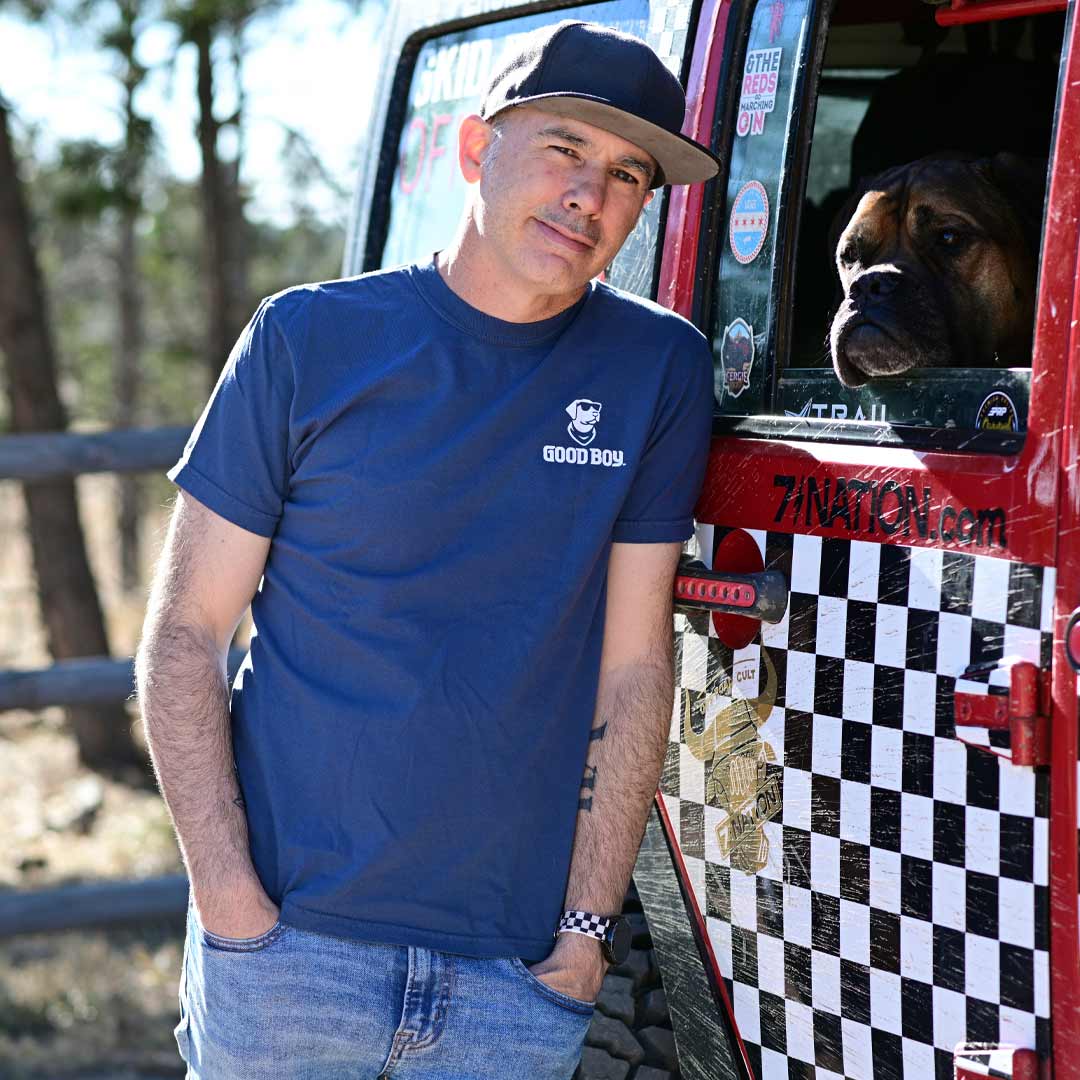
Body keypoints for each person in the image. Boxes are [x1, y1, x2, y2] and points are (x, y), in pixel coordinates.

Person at [136, 18, 719, 1080]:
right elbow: (184, 634)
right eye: (563, 151)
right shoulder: (307, 340)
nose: (592, 195)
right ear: (473, 151)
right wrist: (231, 904)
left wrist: (582, 943)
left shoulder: (657, 370)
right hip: (287, 955)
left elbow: (637, 671)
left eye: (629, 175)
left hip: (512, 977)